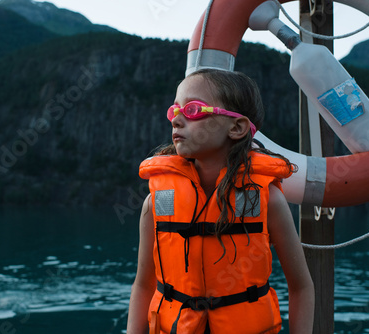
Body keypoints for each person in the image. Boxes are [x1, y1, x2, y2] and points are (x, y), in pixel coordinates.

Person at [127, 69, 314, 333]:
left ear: (236, 127)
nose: (177, 120)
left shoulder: (267, 200)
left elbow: (301, 287)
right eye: (174, 111)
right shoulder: (156, 203)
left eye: (192, 110)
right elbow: (144, 285)